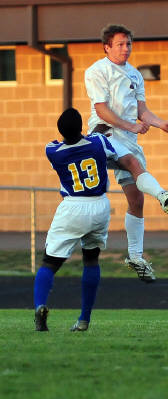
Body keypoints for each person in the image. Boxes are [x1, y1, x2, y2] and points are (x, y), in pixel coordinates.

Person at [85, 24, 168, 282]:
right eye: (120, 44)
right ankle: (164, 196)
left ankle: (135, 257)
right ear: (107, 47)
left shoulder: (135, 74)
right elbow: (101, 110)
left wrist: (162, 124)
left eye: (129, 44)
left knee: (136, 200)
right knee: (133, 163)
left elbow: (141, 109)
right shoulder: (97, 70)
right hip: (105, 134)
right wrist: (130, 125)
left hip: (127, 139)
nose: (126, 49)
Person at [34, 107, 141, 331]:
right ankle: (84, 319)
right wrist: (103, 126)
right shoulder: (98, 142)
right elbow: (95, 139)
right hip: (99, 206)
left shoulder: (53, 151)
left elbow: (72, 142)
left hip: (73, 206)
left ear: (61, 131)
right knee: (91, 260)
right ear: (80, 127)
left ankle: (40, 306)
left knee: (49, 263)